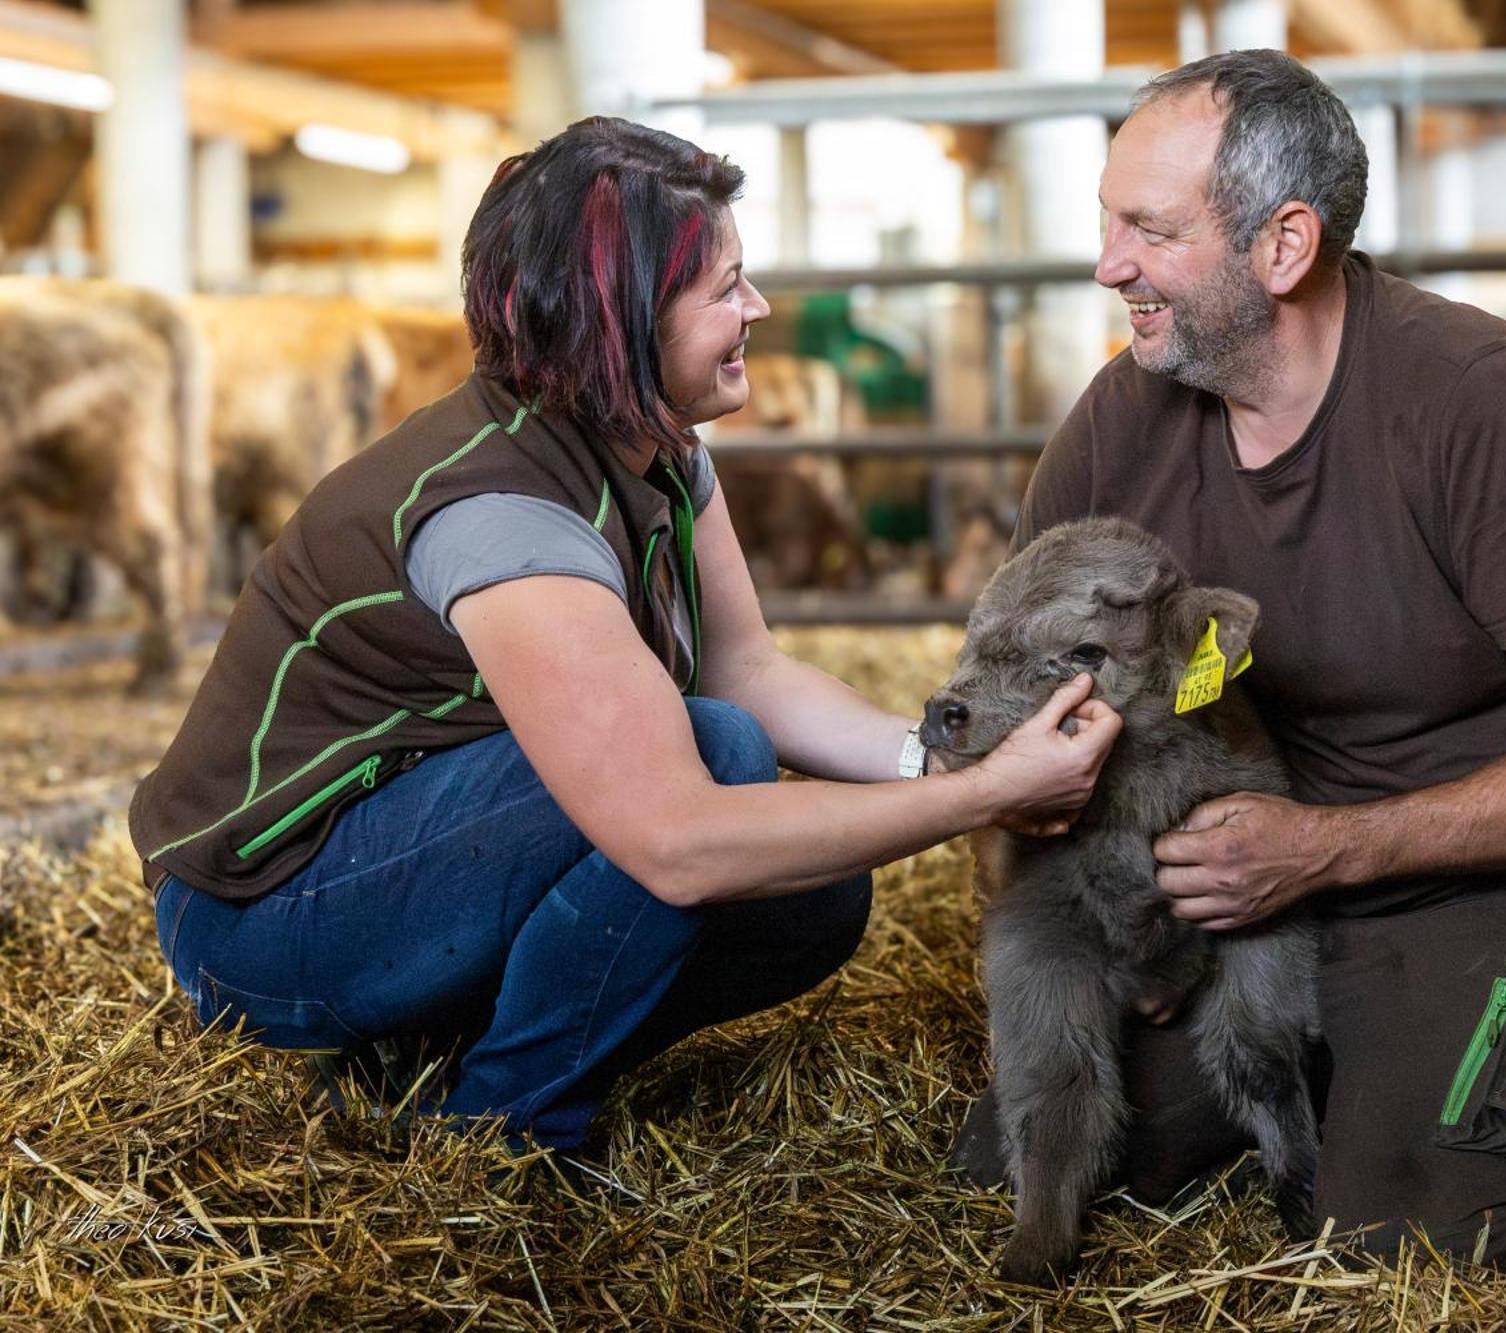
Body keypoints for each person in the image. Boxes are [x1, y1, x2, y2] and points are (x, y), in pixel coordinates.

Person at [130, 117, 1122, 1158]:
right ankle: (503, 1125)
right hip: (261, 925)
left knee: (817, 890)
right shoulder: (500, 514)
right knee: (715, 759)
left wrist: (936, 762)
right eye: (726, 288)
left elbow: (748, 665)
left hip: (401, 868)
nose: (759, 309)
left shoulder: (656, 448)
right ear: (621, 321)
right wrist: (981, 798)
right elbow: (672, 839)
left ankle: (434, 1047)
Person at [951, 50, 1506, 1271]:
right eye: (1107, 222)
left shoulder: (1483, 408)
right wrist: (1106, 917)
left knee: (1413, 1222)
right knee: (1030, 1158)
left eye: (1148, 231)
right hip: (1247, 892)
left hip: (1488, 875)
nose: (1108, 265)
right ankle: (1365, 1049)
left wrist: (1336, 847)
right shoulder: (1116, 426)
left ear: (1282, 246)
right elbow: (1020, 705)